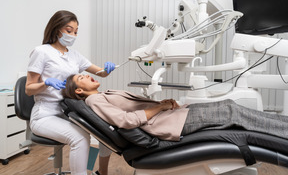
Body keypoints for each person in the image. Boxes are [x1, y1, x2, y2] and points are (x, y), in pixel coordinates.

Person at [62, 73, 288, 174]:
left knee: (233, 110)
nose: (88, 75)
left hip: (172, 118)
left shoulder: (102, 93)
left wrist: (162, 104)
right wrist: (159, 107)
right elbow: (126, 121)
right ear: (79, 91)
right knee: (233, 113)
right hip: (168, 125)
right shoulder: (94, 99)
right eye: (82, 77)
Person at [26, 10, 115, 175]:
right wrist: (46, 83)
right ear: (56, 28)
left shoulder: (74, 55)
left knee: (105, 130)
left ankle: (100, 171)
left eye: (75, 32)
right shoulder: (41, 52)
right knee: (80, 138)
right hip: (45, 114)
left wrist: (107, 69)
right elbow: (28, 88)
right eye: (69, 30)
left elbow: (100, 72)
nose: (73, 35)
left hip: (69, 111)